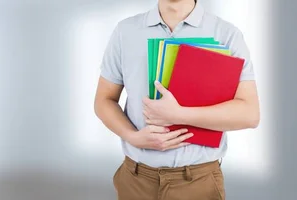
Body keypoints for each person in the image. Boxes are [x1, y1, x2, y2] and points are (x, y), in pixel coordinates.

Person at [93, 0, 260, 199]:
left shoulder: (226, 34)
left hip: (198, 182)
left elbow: (250, 114)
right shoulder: (125, 31)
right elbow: (104, 100)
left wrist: (179, 114)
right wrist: (133, 137)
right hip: (136, 180)